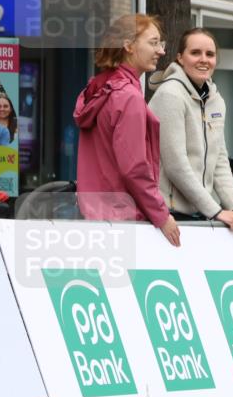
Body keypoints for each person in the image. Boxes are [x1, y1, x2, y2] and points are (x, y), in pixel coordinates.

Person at [73, 14, 180, 246]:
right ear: (128, 45)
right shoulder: (128, 96)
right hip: (123, 221)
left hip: (94, 217)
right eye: (153, 42)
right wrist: (162, 216)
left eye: (160, 44)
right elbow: (134, 168)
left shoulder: (99, 88)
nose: (161, 51)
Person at [148, 28, 233, 232]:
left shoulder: (216, 100)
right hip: (167, 216)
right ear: (180, 58)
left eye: (210, 54)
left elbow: (220, 161)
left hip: (199, 213)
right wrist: (216, 211)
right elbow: (175, 165)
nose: (203, 59)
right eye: (195, 53)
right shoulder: (170, 95)